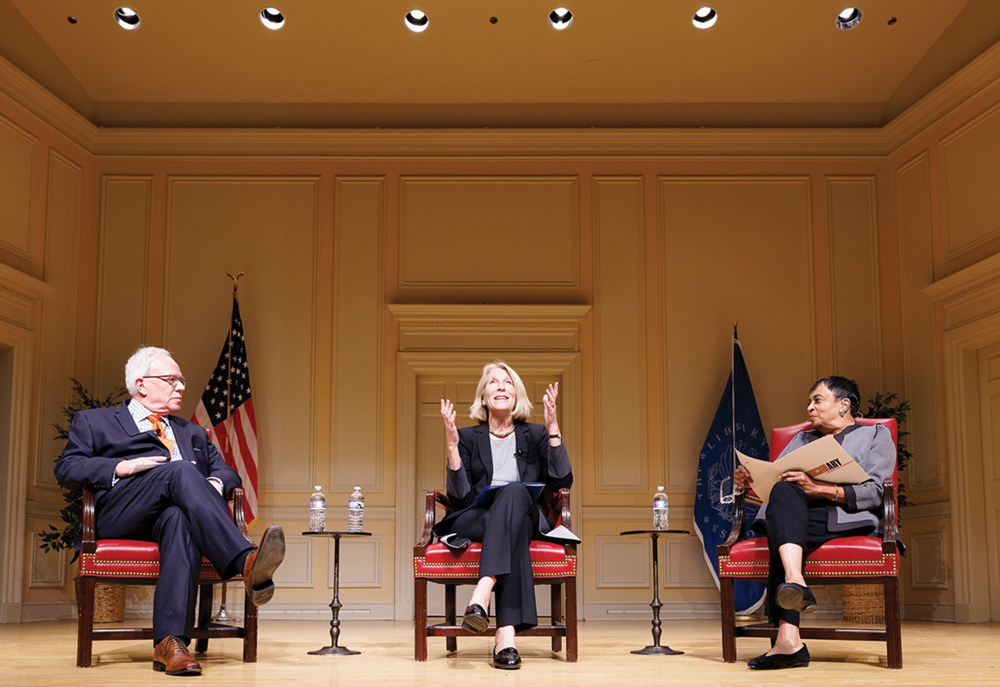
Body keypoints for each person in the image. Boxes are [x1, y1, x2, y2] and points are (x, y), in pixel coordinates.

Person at [54, 346, 285, 677]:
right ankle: (243, 560)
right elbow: (67, 468)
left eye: (181, 380)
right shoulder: (96, 421)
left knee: (180, 518)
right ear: (142, 384)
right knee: (180, 471)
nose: (181, 387)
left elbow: (228, 472)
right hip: (120, 514)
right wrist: (122, 466)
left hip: (168, 517)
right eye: (171, 379)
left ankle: (170, 645)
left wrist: (212, 486)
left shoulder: (192, 433)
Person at [733, 375, 896, 670]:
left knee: (780, 533)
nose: (810, 407)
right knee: (783, 500)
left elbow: (876, 491)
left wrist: (819, 489)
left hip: (847, 516)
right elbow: (775, 484)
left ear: (844, 404)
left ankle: (789, 642)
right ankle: (794, 583)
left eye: (817, 400)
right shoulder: (801, 439)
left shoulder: (875, 436)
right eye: (809, 402)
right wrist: (749, 481)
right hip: (797, 514)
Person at [435, 361, 573, 670]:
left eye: (507, 382)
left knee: (514, 493)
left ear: (517, 394)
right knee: (514, 520)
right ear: (483, 397)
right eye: (493, 382)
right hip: (477, 519)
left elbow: (562, 482)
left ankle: (486, 602)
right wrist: (453, 448)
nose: (500, 386)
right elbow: (460, 498)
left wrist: (553, 430)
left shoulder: (535, 434)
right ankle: (504, 635)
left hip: (523, 514)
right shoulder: (469, 437)